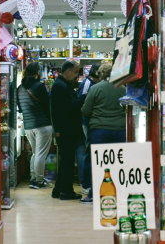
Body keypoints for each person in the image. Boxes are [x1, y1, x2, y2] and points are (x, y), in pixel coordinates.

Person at [79, 63, 127, 204]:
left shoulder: (95, 88)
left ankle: (94, 194)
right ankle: (117, 193)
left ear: (100, 74)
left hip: (99, 130)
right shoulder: (123, 89)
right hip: (119, 130)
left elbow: (85, 111)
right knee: (117, 163)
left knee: (99, 163)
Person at [50, 60, 85, 200]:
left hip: (64, 129)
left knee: (65, 161)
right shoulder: (61, 86)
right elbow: (72, 106)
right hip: (66, 130)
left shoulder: (61, 84)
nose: (77, 76)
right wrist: (83, 97)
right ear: (68, 71)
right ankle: (66, 191)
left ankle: (58, 190)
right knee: (68, 161)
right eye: (76, 72)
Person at [16, 62, 53, 189]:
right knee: (41, 154)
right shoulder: (39, 86)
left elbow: (20, 109)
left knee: (35, 153)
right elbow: (48, 104)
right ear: (38, 73)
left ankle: (33, 178)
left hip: (28, 125)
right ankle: (39, 180)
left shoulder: (20, 88)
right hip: (42, 124)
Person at [76, 64, 101, 196]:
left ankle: (90, 183)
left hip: (92, 122)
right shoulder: (87, 83)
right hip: (87, 122)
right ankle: (86, 184)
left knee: (91, 152)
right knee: (89, 152)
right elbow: (82, 103)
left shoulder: (92, 83)